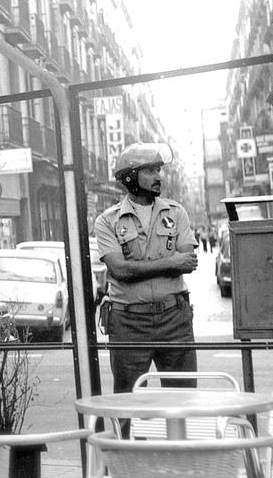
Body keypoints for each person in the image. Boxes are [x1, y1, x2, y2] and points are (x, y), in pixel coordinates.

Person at [95, 144, 198, 407]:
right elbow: (119, 270)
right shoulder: (108, 221)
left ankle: (177, 449)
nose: (158, 176)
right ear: (130, 177)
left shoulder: (176, 212)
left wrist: (143, 268)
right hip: (128, 322)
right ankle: (131, 449)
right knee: (129, 402)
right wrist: (170, 262)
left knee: (182, 400)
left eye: (159, 170)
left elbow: (188, 262)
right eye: (150, 170)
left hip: (174, 319)